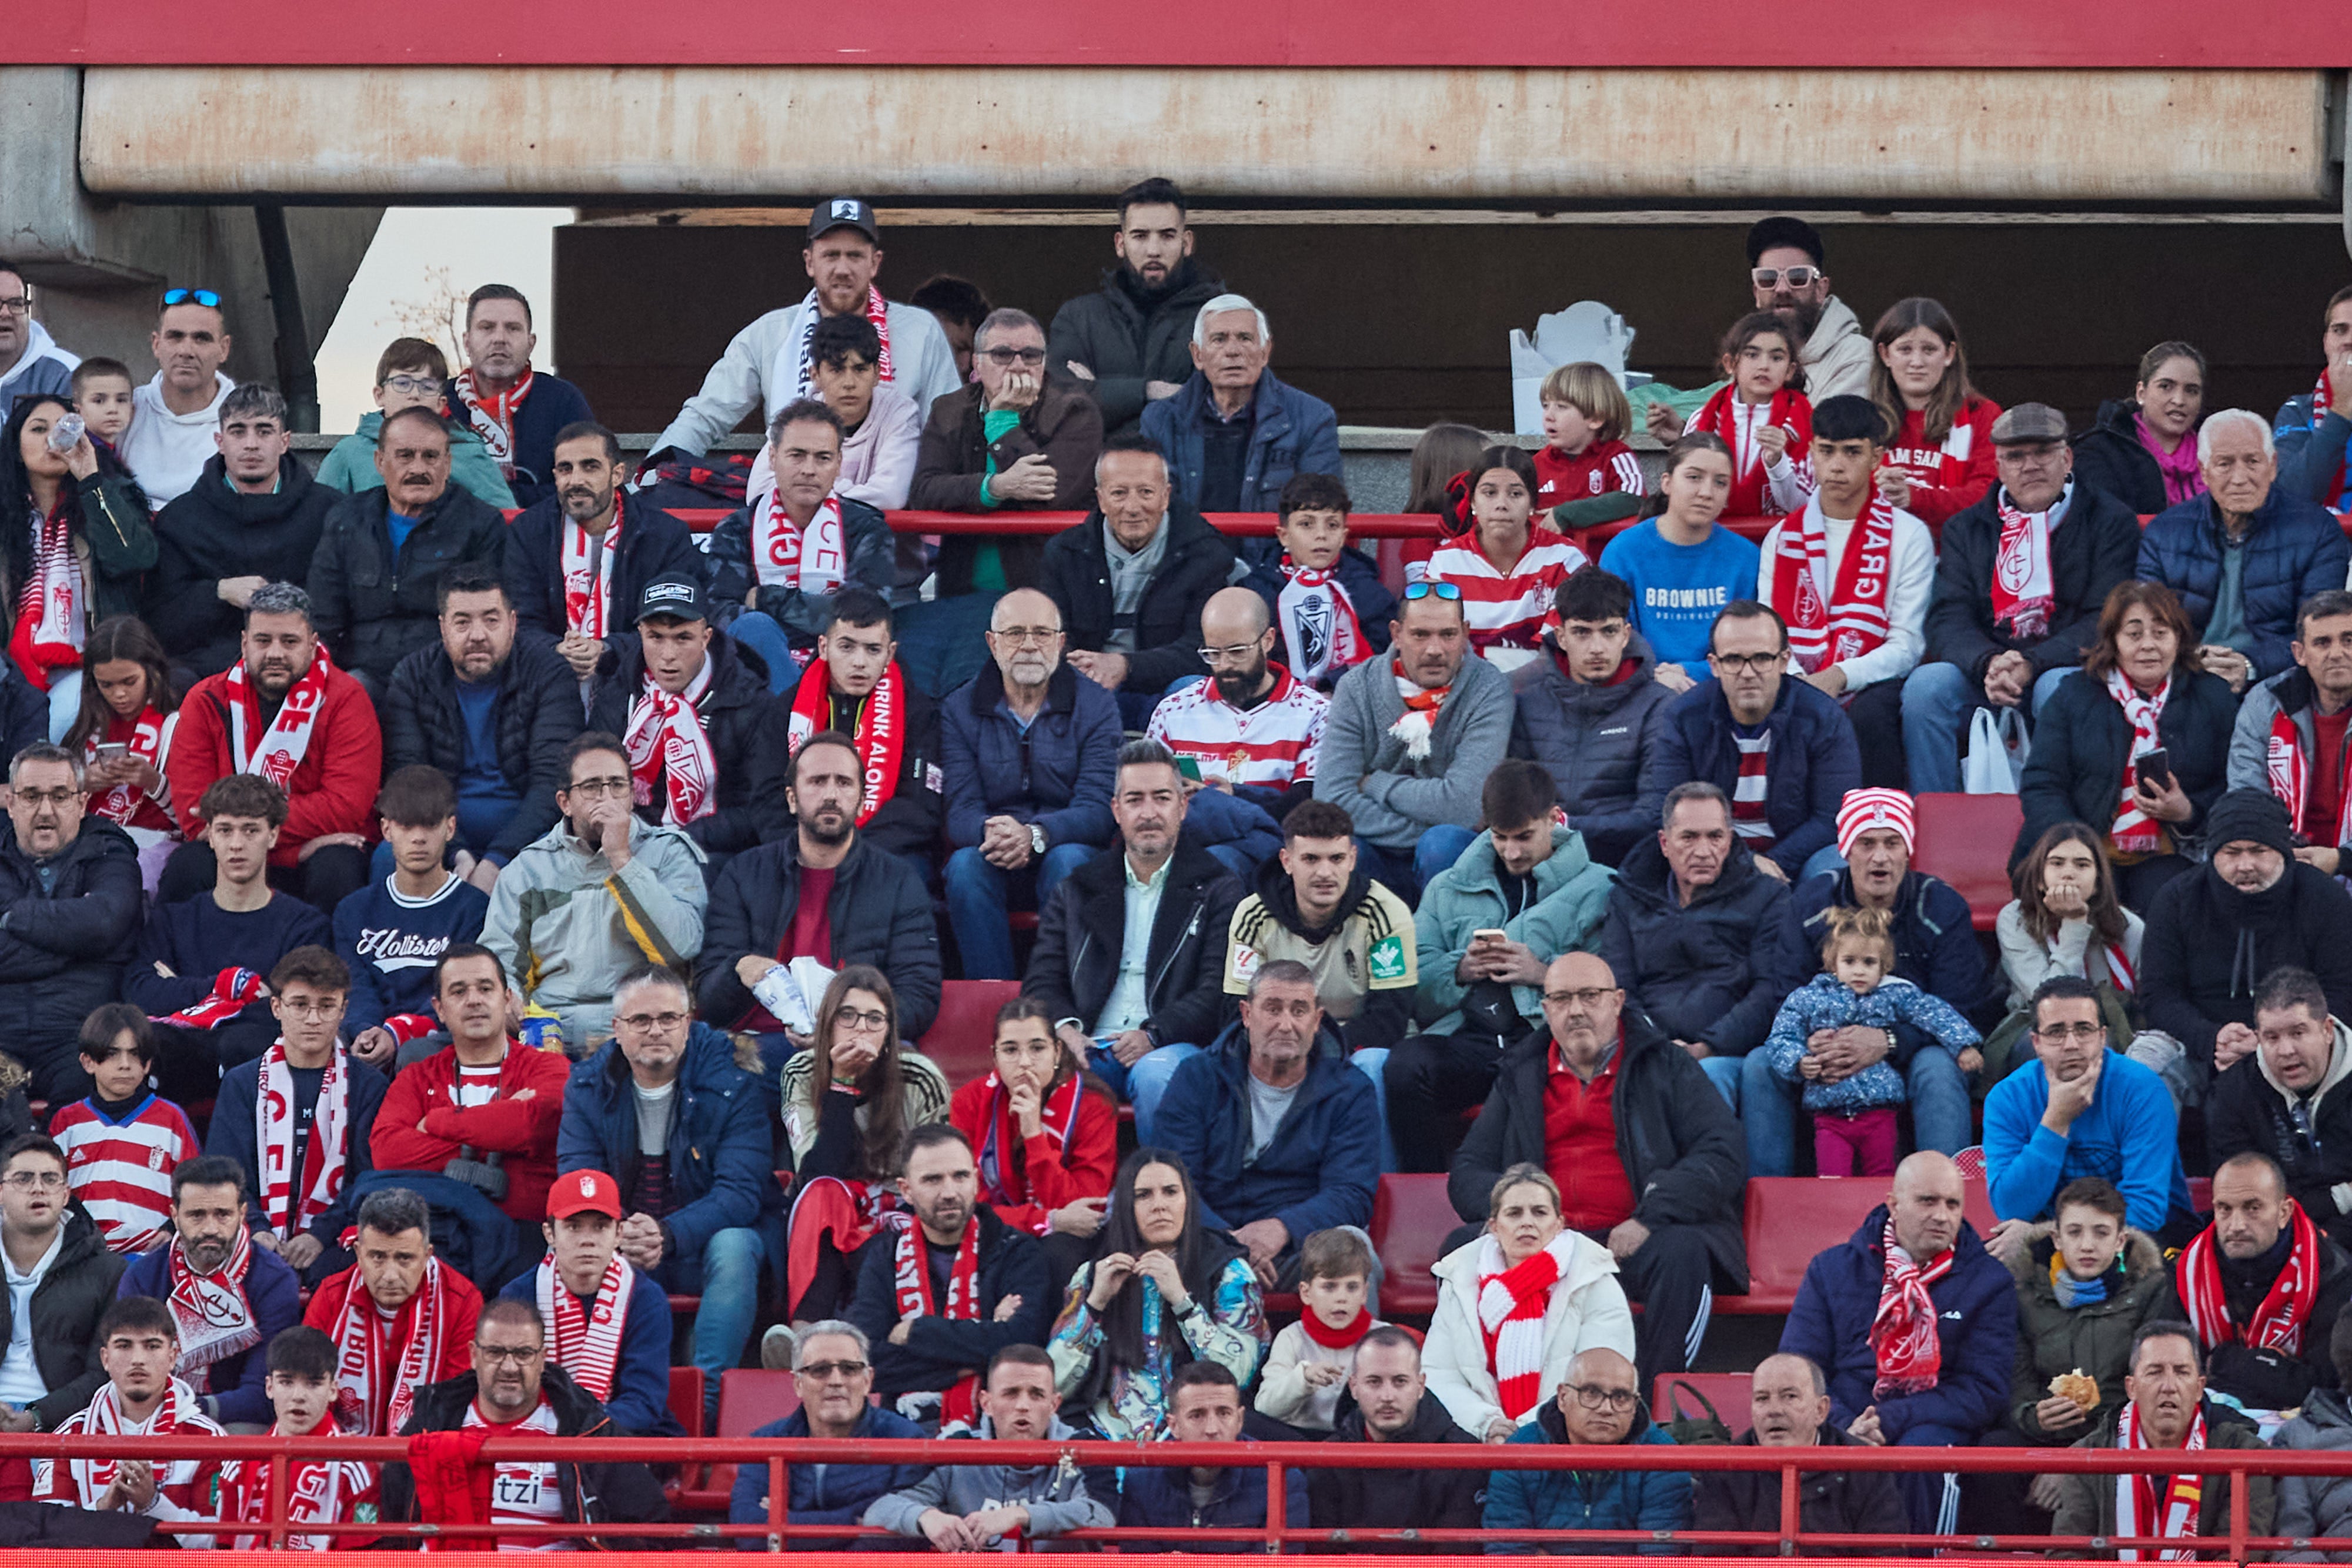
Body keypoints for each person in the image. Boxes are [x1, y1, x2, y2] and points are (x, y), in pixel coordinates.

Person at [1449, 954, 1748, 1392]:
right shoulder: (1519, 1073)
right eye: (1562, 999)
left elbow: (1724, 1153)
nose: (1576, 1010)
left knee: (1684, 1251)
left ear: (1617, 1002)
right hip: (1547, 1244)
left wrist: (1650, 1217)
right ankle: (1494, 1407)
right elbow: (1467, 1171)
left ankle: (1654, 1402)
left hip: (1636, 1239)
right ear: (1546, 1009)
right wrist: (1526, 1220)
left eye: (1590, 996)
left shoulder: (1665, 1063)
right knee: (1460, 1250)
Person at [556, 964, 780, 1415]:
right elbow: (580, 1184)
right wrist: (622, 1233)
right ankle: (608, 1403)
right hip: (630, 1242)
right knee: (578, 1243)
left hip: (708, 1240)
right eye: (641, 1021)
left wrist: (668, 1233)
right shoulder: (587, 1087)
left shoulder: (734, 1083)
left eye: (668, 1019)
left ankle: (707, 1400)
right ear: (617, 1029)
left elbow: (740, 1193)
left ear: (688, 1021)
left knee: (734, 1246)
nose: (655, 1030)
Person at [1905, 403, 2146, 793]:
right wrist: (1989, 664)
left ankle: (2060, 828)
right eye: (2015, 456)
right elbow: (1948, 617)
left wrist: (2032, 663)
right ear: (1998, 468)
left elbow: (2105, 617)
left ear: (2067, 458)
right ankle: (1937, 825)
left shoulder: (2110, 520)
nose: (2029, 465)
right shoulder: (1966, 528)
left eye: (2043, 452)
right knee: (1926, 687)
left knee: (2058, 688)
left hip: (2064, 666)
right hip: (1988, 670)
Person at [1778, 1151, 2022, 1535]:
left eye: (1952, 1203)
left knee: (1920, 1454)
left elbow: (1982, 1389)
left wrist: (1889, 1420)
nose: (1942, 1215)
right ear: (1893, 1204)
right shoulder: (1831, 1268)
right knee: (1820, 1444)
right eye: (1928, 1200)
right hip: (1843, 1414)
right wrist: (1845, 1426)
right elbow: (1799, 1367)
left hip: (1934, 1422)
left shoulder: (1990, 1281)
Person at [1387, 760, 1613, 1173]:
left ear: (1552, 819)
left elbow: (1616, 984)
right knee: (1403, 1066)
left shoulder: (1601, 885)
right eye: (1500, 837)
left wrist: (1546, 974)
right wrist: (1460, 970)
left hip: (1546, 1039)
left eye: (1524, 837)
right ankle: (1425, 1190)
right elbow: (1409, 981)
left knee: (1529, 1082)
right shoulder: (1447, 887)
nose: (1512, 851)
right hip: (1467, 1036)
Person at [1024, 738, 1242, 1136]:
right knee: (1040, 1074)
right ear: (1116, 810)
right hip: (1091, 1043)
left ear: (1183, 806)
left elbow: (1218, 991)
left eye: (1161, 798)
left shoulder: (1219, 888)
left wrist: (1154, 1034)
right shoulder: (1078, 888)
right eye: (1135, 799)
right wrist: (1065, 1029)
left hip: (1172, 1046)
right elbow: (1042, 978)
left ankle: (1169, 1195)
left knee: (1156, 1076)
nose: (1149, 813)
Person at [1778, 788, 1994, 1164]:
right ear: (1845, 850)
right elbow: (1783, 991)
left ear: (1908, 850)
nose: (1880, 857)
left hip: (1912, 1049)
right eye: (1867, 843)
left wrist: (1888, 1040)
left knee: (1938, 1067)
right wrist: (1812, 1043)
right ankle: (1766, 1205)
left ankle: (1948, 1193)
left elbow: (1962, 1006)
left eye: (1892, 843)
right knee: (1760, 1066)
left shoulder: (1942, 907)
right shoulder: (1810, 904)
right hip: (1826, 1051)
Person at [653, 198, 959, 457]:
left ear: (875, 263)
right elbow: (705, 418)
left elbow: (949, 431)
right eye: (831, 256)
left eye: (854, 256)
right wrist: (646, 484)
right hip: (789, 513)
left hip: (892, 510)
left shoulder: (921, 331)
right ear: (809, 262)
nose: (842, 269)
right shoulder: (769, 334)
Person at [698, 729, 942, 1050]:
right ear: (791, 799)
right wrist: (737, 969)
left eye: (843, 783)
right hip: (757, 1046)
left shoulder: (898, 881)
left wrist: (850, 1026)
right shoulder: (743, 874)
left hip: (857, 1045)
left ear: (861, 801)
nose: (831, 795)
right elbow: (709, 1001)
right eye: (817, 781)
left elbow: (919, 996)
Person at [2014, 582, 2237, 913]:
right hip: (2082, 850)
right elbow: (2042, 783)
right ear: (2113, 642)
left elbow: (2234, 786)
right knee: (2085, 899)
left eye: (2161, 633)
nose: (2148, 645)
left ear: (2179, 640)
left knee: (2167, 905)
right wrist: (2074, 847)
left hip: (2173, 851)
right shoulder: (2074, 695)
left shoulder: (2213, 697)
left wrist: (2188, 813)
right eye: (2134, 635)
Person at [160, 583, 381, 915]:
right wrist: (296, 850)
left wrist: (241, 827)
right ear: (244, 643)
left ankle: (327, 969)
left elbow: (344, 808)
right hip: (274, 845)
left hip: (319, 853)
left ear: (312, 643)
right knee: (188, 867)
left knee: (337, 867)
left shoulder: (346, 698)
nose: (275, 653)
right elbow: (195, 816)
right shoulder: (205, 700)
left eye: (289, 642)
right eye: (263, 641)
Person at [1159, 959, 1383, 1287]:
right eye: (1273, 1009)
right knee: (1154, 1252)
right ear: (1247, 1015)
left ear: (1317, 1020)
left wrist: (1280, 1229)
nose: (1286, 1024)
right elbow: (1173, 1177)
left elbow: (1351, 1193)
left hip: (1298, 1244)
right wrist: (1226, 1243)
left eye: (1299, 1011)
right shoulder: (1197, 1077)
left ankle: (1360, 1342)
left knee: (1354, 1256)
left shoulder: (1351, 1089)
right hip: (1206, 1239)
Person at [376, 1296, 669, 1545]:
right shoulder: (430, 1423)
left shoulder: (585, 1427)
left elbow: (650, 1525)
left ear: (543, 1359)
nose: (509, 1366)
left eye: (523, 1353)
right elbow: (391, 1526)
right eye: (495, 1352)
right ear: (473, 1355)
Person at [483, 733, 707, 1050]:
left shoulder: (668, 853)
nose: (607, 798)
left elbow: (680, 947)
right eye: (591, 787)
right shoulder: (528, 869)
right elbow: (499, 959)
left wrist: (622, 860)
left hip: (640, 1027)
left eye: (618, 785)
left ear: (632, 795)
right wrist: (510, 1001)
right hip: (548, 1029)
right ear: (565, 803)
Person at [941, 587, 1121, 980]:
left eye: (1041, 633)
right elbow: (959, 810)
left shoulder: (1096, 705)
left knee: (1068, 861)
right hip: (996, 849)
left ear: (1060, 642)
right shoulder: (959, 708)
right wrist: (992, 831)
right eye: (1014, 633)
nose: (1028, 645)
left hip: (1065, 847)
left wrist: (1037, 834)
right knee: (963, 867)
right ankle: (992, 998)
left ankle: (1061, 994)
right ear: (992, 643)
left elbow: (1098, 809)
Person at [1757, 394, 1934, 788]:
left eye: (1852, 452)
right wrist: (1802, 679)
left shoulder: (1909, 535)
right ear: (1811, 454)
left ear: (1877, 458)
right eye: (1826, 451)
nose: (1837, 465)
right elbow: (1768, 632)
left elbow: (1907, 645)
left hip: (1873, 682)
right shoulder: (1781, 537)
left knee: (1870, 715)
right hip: (1792, 673)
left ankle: (1877, 830)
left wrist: (1839, 675)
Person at [1599, 783, 1810, 1101]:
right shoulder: (1628, 896)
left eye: (1715, 837)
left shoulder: (1769, 897)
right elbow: (1618, 989)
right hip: (1647, 1049)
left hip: (1728, 1053)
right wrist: (1657, 1046)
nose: (1703, 851)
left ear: (1730, 840)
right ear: (1665, 842)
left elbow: (1770, 989)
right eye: (1688, 837)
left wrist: (1708, 1047)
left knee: (1705, 1079)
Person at [2140, 789, 2352, 1101]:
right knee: (2143, 1069)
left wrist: (2271, 1042)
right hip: (2200, 1040)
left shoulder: (2324, 899)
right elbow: (2159, 995)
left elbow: (2342, 992)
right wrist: (2212, 1038)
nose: (2245, 865)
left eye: (2258, 850)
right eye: (2232, 852)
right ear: (2213, 855)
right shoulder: (2176, 900)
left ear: (2284, 851)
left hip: (2299, 1041)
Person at [1047, 1147, 1268, 1441]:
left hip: (1200, 1437)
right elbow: (1053, 1386)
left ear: (1187, 1201)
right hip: (1104, 1438)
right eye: (1144, 1195)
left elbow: (1238, 1375)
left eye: (1170, 1192)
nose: (1159, 1206)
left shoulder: (1229, 1270)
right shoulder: (1093, 1274)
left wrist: (1183, 1302)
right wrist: (1095, 1304)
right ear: (1126, 1206)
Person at [128, 775, 331, 1088]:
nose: (237, 844)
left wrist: (182, 992)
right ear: (210, 836)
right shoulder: (173, 920)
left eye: (251, 830)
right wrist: (234, 988)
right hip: (179, 1064)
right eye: (225, 830)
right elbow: (141, 994)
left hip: (259, 1075)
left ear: (273, 835)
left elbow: (293, 1012)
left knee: (245, 1043)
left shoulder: (305, 926)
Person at [776, 967, 952, 1328]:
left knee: (903, 1226)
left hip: (902, 1205)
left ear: (889, 1033)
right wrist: (841, 1085)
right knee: (821, 1194)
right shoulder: (801, 1072)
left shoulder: (921, 1078)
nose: (861, 1029)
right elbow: (816, 1172)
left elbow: (937, 1175)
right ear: (827, 1026)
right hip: (834, 1205)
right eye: (848, 1016)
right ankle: (803, 1336)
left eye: (875, 1019)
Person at [844, 1123, 1052, 1426]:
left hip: (996, 1431)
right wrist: (975, 1354)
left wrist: (918, 1333)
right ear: (906, 1190)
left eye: (961, 1176)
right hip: (904, 1430)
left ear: (976, 1180)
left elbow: (1022, 1347)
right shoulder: (883, 1256)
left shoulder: (1017, 1251)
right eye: (933, 1180)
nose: (950, 1192)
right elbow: (869, 1362)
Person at [1314, 580, 1514, 897]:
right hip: (1374, 853)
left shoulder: (1489, 689)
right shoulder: (1357, 687)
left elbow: (1465, 808)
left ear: (1464, 633)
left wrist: (1375, 784)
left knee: (1442, 843)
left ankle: (1442, 943)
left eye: (1448, 635)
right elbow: (1331, 801)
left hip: (1448, 855)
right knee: (1344, 849)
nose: (1434, 649)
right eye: (1420, 635)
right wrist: (1423, 828)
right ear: (1396, 634)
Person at [204, 947, 389, 1285]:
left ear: (344, 1010)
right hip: (250, 1231)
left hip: (337, 1236)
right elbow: (223, 1173)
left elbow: (369, 1179)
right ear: (276, 1007)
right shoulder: (243, 1082)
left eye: (327, 1006)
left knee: (335, 1273)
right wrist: (257, 1230)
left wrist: (320, 1235)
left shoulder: (369, 1086)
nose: (314, 1019)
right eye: (301, 1005)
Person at [1644, 601, 1859, 886]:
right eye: (1733, 660)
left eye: (1761, 658)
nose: (1748, 673)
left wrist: (1771, 864)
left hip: (1795, 860)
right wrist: (1740, 861)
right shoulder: (1683, 716)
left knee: (1835, 865)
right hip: (1708, 856)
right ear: (1714, 665)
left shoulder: (1823, 718)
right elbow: (1667, 809)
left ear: (1784, 661)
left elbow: (1833, 818)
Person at [372, 943, 571, 1251]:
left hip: (525, 1241)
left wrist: (437, 1122)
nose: (474, 1000)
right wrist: (503, 1144)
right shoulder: (416, 1077)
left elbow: (532, 1124)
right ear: (439, 1009)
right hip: (437, 1240)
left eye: (486, 988)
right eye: (459, 991)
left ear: (507, 1000)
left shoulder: (549, 1066)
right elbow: (389, 1153)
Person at [2138, 408, 2351, 695]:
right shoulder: (2164, 532)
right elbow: (2147, 625)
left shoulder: (2318, 531)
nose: (2240, 478)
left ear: (2273, 466)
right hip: (2183, 676)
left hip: (2278, 681)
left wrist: (2250, 666)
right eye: (2224, 464)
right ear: (2204, 472)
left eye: (2252, 462)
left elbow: (2319, 633)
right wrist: (2190, 661)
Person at [1424, 1161, 1632, 1443]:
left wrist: (1523, 1431)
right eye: (1514, 1213)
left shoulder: (1595, 1281)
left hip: (1566, 1440)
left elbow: (1601, 1379)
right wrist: (1489, 1424)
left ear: (1559, 1224)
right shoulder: (1459, 1282)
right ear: (1494, 1227)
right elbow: (1440, 1375)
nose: (1527, 1222)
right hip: (1478, 1436)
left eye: (1539, 1212)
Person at [1765, 907, 1981, 1179]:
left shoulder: (1895, 994)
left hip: (1880, 1112)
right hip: (1829, 1114)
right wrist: (1799, 1061)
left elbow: (1935, 1013)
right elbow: (1782, 1035)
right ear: (1833, 963)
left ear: (1884, 965)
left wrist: (1963, 1045)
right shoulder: (1808, 998)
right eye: (1850, 961)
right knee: (1832, 1180)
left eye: (1869, 963)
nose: (1859, 971)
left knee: (1882, 1177)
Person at [305, 404, 509, 693]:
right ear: (379, 461)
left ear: (448, 464)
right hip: (364, 672)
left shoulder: (481, 524)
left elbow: (484, 619)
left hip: (445, 675)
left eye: (431, 457)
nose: (418, 469)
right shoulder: (346, 520)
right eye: (405, 456)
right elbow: (323, 617)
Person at [908, 306, 1104, 603]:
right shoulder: (949, 409)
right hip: (963, 589)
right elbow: (924, 490)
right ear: (977, 362)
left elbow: (1050, 495)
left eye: (1031, 355)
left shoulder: (1076, 409)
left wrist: (1002, 420)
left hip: (1047, 593)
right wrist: (994, 488)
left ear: (1044, 362)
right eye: (1001, 355)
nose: (1018, 366)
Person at [144, 381, 337, 682]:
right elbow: (162, 620)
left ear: (285, 441)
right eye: (238, 431)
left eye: (264, 431)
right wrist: (219, 592)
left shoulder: (329, 511)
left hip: (304, 664)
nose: (251, 444)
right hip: (209, 669)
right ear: (220, 441)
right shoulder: (180, 520)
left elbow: (339, 607)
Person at [1040, 436, 1237, 730]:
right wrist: (1091, 668)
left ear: (1166, 496)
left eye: (1146, 492)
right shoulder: (1064, 552)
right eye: (1119, 493)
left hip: (1168, 684)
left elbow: (1204, 649)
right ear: (1100, 498)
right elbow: (1052, 636)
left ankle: (1190, 778)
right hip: (1092, 684)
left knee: (1195, 692)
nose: (1133, 507)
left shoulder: (1205, 553)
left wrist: (1126, 666)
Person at [1982, 977, 2195, 1248]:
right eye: (2056, 1032)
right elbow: (2010, 1207)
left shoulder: (2142, 1089)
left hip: (2144, 1243)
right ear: (2036, 1042)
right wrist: (2055, 1121)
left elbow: (2146, 1210)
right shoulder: (2008, 1098)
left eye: (2083, 1030)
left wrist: (2050, 1234)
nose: (2071, 1044)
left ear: (2102, 1037)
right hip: (2059, 1242)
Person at [586, 573, 774, 871]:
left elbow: (762, 809)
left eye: (683, 638)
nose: (668, 656)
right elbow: (590, 783)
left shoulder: (749, 700)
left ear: (706, 637)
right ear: (641, 634)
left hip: (713, 853)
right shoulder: (619, 693)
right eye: (655, 637)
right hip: (624, 841)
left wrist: (680, 838)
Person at [1992, 1178, 2173, 1483]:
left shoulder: (2150, 1290)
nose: (2087, 1245)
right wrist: (2033, 1417)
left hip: (2115, 1441)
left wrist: (2076, 1463)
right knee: (1994, 1453)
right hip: (2045, 1437)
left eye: (2101, 1233)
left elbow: (2147, 1389)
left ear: (2120, 1241)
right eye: (2075, 1232)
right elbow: (2016, 1382)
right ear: (2057, 1239)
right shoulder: (2024, 1293)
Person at [2160, 1150, 2352, 1433]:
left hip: (2308, 1435)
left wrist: (2223, 1362)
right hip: (2208, 1431)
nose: (2236, 1225)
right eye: (2225, 1209)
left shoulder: (2332, 1271)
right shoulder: (2186, 1271)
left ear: (2283, 1212)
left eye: (2253, 1208)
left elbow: (2323, 1385)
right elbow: (2171, 1377)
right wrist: (2273, 1370)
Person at [0, 392, 155, 741]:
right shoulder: (5, 518)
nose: (53, 439)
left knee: (58, 720)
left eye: (63, 428)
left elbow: (134, 558)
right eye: (38, 429)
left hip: (90, 664)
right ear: (16, 446)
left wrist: (90, 480)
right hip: (12, 665)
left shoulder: (111, 494)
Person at [752, 587, 944, 869]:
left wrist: (850, 853)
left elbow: (919, 807)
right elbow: (766, 798)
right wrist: (811, 851)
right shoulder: (785, 710)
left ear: (890, 654)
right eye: (847, 646)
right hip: (799, 852)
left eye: (873, 649)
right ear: (823, 647)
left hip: (887, 855)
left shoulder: (919, 712)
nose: (859, 662)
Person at [708, 400, 893, 687]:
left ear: (839, 464)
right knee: (755, 628)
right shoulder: (736, 529)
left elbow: (865, 617)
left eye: (823, 458)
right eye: (797, 455)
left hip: (846, 669)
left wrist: (767, 599)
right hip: (759, 673)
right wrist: (815, 617)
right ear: (772, 457)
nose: (809, 470)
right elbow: (722, 617)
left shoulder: (868, 528)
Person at [2047, 1322, 2274, 1555]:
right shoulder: (2090, 1455)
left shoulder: (2243, 1452)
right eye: (2155, 1372)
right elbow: (2067, 1552)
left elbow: (2240, 1555)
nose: (2169, 1386)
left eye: (2181, 1372)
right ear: (2131, 1388)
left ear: (2199, 1388)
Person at [1221, 801, 1418, 1068]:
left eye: (1336, 859)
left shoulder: (1386, 913)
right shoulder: (1252, 916)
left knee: (1373, 1062)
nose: (1325, 873)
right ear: (1287, 861)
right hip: (1277, 1043)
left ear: (1352, 859)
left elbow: (1390, 1018)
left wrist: (1318, 1050)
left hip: (1358, 1045)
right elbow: (1238, 1011)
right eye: (1311, 859)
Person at [502, 422, 701, 687]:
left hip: (638, 680)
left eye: (590, 467)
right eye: (565, 469)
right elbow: (518, 620)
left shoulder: (665, 535)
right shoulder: (528, 532)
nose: (576, 480)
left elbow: (676, 624)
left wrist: (607, 650)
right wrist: (557, 650)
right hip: (548, 680)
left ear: (617, 474)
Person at [862, 1343, 1115, 1550]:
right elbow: (880, 1510)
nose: (1023, 1406)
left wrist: (1021, 1515)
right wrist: (926, 1517)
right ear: (987, 1403)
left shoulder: (1083, 1445)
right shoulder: (957, 1449)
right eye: (1011, 1393)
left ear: (1054, 1404)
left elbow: (1103, 1516)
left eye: (1036, 1394)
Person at [0, 741, 142, 1104]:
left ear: (82, 803)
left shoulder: (111, 855)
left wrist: (12, 916)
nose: (46, 810)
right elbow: (92, 935)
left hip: (79, 1035)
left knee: (88, 1090)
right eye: (31, 796)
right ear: (10, 803)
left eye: (61, 796)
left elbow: (104, 925)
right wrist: (77, 946)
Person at [118, 1154, 303, 1428]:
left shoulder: (274, 1280)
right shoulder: (144, 1276)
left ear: (241, 1214)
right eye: (196, 1215)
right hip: (152, 1418)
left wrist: (187, 1410)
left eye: (223, 1215)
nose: (210, 1229)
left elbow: (265, 1392)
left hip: (236, 1424)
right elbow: (128, 1372)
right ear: (174, 1216)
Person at [1505, 568, 1673, 870]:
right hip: (1539, 861)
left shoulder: (1659, 706)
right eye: (1582, 632)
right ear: (1562, 636)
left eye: (1608, 631)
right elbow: (1514, 801)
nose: (1597, 648)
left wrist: (1567, 825)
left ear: (1625, 634)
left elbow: (1654, 817)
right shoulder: (1528, 704)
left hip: (1622, 865)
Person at [1139, 293, 1342, 537]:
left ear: (1265, 353)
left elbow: (1321, 515)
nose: (1233, 351)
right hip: (1187, 565)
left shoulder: (1312, 417)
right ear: (1198, 355)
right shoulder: (1160, 419)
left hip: (1273, 567)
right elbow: (1147, 509)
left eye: (1245, 339)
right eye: (1219, 339)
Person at [948, 998, 1118, 1289]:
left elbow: (1084, 1211)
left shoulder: (1093, 1105)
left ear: (1057, 1051)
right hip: (1000, 1232)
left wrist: (1033, 1135)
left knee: (1056, 1252)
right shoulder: (969, 1102)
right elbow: (968, 1209)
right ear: (995, 1057)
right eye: (1011, 1050)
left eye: (1037, 1048)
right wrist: (1047, 1220)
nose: (1025, 1061)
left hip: (1066, 1242)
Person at [496, 1168, 679, 1437]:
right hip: (536, 1435)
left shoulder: (647, 1299)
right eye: (573, 1226)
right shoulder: (517, 1297)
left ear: (619, 1234)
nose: (588, 1240)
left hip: (623, 1440)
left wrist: (576, 1430)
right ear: (549, 1234)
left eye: (601, 1227)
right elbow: (506, 1387)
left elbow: (643, 1402)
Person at [729, 1319, 930, 1550]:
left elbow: (897, 1537)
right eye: (820, 1370)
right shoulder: (763, 1443)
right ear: (798, 1384)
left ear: (868, 1381)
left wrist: (786, 1518)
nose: (836, 1381)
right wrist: (852, 1521)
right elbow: (749, 1533)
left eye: (849, 1369)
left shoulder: (907, 1440)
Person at [31, 1295, 226, 1532]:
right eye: (124, 1346)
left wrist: (152, 1504)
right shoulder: (69, 1435)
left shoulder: (210, 1439)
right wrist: (103, 1510)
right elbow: (45, 1537)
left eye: (152, 1346)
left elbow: (216, 1543)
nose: (138, 1360)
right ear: (105, 1358)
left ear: (172, 1357)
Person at [1051, 178, 1227, 439]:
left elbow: (1224, 409)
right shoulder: (1078, 318)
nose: (1153, 250)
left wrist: (1098, 391)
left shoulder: (1219, 318)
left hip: (1188, 477)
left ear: (1186, 243)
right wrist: (1150, 391)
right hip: (1099, 478)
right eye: (1140, 236)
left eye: (1167, 236)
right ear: (1121, 244)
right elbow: (1059, 408)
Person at [300, 1186, 483, 1437]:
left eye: (404, 1258)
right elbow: (309, 1391)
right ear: (359, 1254)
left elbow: (453, 1403)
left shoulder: (463, 1302)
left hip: (425, 1452)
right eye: (378, 1257)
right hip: (339, 1451)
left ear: (427, 1255)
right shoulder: (331, 1296)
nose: (390, 1275)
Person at [335, 769, 493, 1051]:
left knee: (413, 1053)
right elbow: (356, 987)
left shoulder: (474, 908)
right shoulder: (353, 911)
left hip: (440, 1041)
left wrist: (398, 1034)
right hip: (368, 1037)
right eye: (407, 827)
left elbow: (461, 992)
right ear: (387, 830)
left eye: (430, 825)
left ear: (450, 828)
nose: (418, 838)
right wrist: (366, 1030)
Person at [1144, 585, 1329, 827]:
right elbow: (1145, 791)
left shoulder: (1315, 713)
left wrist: (1230, 801)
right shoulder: (1173, 711)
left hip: (1271, 842)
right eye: (1213, 653)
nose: (1225, 665)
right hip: (1190, 838)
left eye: (1237, 651)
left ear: (1268, 640)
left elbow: (1306, 804)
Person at [1692, 1351, 1910, 1555]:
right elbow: (1714, 1557)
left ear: (1821, 1410)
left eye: (1789, 1396)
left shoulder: (1867, 1470)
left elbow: (1888, 1558)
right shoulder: (1725, 1472)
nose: (1774, 1410)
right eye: (1762, 1399)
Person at [1480, 1346, 1693, 1552]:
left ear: (1635, 1404)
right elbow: (1508, 1551)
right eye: (1591, 1393)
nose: (1606, 1408)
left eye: (1621, 1397)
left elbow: (1660, 1556)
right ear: (1563, 1397)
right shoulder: (1521, 1451)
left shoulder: (1662, 1455)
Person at [2208, 967, 2352, 1252]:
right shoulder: (2234, 1092)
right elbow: (2243, 1195)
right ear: (2258, 1037)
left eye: (2298, 1033)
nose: (2286, 1050)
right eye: (2272, 1038)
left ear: (2326, 1029)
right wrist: (2342, 1196)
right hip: (2278, 1238)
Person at [1598, 434, 1758, 688]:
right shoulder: (1623, 552)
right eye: (1694, 477)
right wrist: (1658, 677)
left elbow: (1751, 644)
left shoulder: (1746, 558)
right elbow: (1611, 639)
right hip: (1641, 688)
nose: (1706, 492)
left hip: (1723, 688)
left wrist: (1688, 672)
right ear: (1667, 483)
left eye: (1720, 483)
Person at [0, 1132, 130, 1443]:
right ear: (1, 1191)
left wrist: (38, 1416)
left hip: (67, 1426)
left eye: (50, 1179)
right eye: (23, 1178)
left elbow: (105, 1371)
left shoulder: (108, 1270)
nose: (38, 1188)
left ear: (65, 1193)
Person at [1306, 1325, 1488, 1541]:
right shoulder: (1326, 1460)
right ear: (1353, 1387)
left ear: (1421, 1386)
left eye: (1400, 1382)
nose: (1387, 1396)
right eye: (1374, 1382)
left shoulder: (1464, 1459)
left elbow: (1456, 1557)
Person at [216, 1325, 382, 1550]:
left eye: (313, 1384)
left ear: (333, 1389)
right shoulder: (237, 1463)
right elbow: (222, 1549)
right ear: (269, 1387)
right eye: (286, 1382)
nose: (299, 1396)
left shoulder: (356, 1469)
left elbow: (362, 1558)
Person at [49, 1007, 198, 1255]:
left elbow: (195, 1189)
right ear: (88, 1062)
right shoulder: (66, 1122)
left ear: (148, 1064)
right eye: (112, 1054)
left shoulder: (172, 1119)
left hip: (151, 1257)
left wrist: (172, 1229)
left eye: (135, 1054)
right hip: (83, 1258)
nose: (125, 1065)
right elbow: (50, 1193)